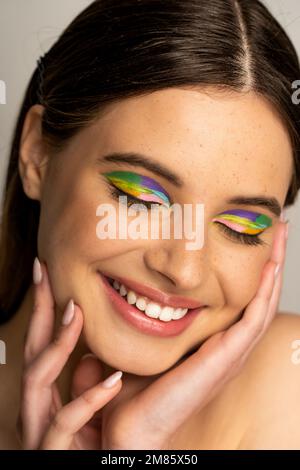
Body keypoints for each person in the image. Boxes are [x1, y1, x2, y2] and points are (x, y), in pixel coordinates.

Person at [0, 0, 300, 450]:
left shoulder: (286, 386)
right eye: (141, 198)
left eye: (240, 226)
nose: (183, 268)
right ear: (38, 156)